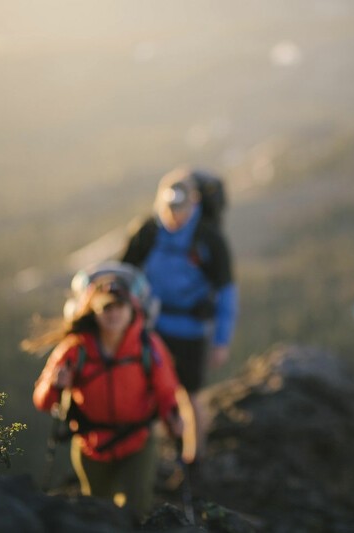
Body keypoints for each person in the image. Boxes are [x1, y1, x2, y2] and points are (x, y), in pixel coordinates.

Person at [30, 269, 190, 518]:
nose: (113, 313)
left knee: (136, 511)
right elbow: (42, 401)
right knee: (96, 512)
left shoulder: (148, 346)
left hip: (138, 442)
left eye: (120, 306)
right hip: (91, 446)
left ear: (132, 308)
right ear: (92, 311)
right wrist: (54, 383)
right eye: (106, 307)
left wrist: (173, 421)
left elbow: (166, 392)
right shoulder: (74, 348)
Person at [122, 167, 238, 459]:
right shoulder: (147, 232)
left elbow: (226, 293)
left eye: (181, 208)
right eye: (169, 208)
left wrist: (221, 341)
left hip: (191, 330)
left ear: (195, 204)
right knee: (147, 391)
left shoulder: (208, 239)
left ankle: (193, 457)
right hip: (151, 327)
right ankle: (146, 456)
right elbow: (125, 275)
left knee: (191, 395)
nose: (175, 215)